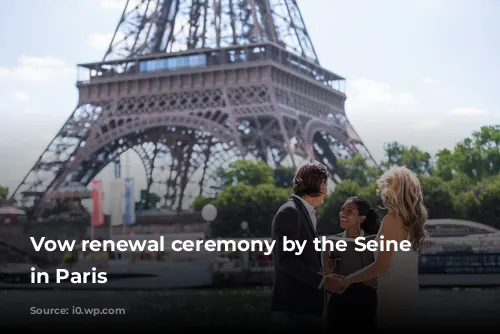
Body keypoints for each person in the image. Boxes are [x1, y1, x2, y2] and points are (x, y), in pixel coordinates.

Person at [339, 165, 428, 328]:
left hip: (394, 302)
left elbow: (381, 265)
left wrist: (348, 280)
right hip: (407, 297)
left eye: (384, 187)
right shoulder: (409, 221)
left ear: (392, 190)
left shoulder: (392, 220)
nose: (380, 192)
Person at [270, 162, 343, 331]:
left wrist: (325, 269)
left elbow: (300, 258)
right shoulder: (290, 212)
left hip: (302, 310)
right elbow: (286, 260)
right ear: (322, 184)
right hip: (296, 312)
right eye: (326, 184)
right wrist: (323, 281)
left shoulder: (300, 211)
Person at [323, 197, 380, 331]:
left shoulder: (374, 241)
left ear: (361, 219)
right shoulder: (330, 242)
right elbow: (327, 278)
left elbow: (376, 277)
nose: (342, 213)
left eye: (349, 211)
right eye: (342, 210)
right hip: (339, 301)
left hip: (366, 301)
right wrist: (330, 268)